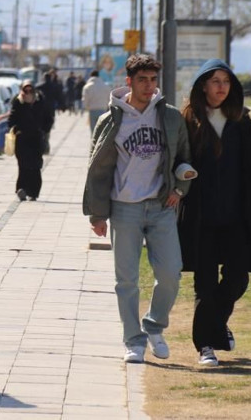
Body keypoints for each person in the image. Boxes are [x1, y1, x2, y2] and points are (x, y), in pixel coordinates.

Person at [83, 53, 192, 364]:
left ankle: (154, 326)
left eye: (153, 80)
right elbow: (98, 171)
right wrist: (98, 213)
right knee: (126, 280)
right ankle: (133, 341)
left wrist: (180, 188)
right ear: (128, 81)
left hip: (160, 206)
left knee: (171, 273)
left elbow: (185, 157)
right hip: (124, 208)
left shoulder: (169, 117)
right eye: (142, 80)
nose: (149, 86)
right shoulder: (110, 120)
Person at [178, 59, 251, 367]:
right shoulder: (188, 120)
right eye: (215, 80)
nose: (221, 86)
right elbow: (177, 159)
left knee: (238, 278)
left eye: (226, 81)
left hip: (237, 215)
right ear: (202, 85)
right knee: (204, 284)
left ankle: (215, 326)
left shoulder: (241, 121)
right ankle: (206, 345)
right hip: (200, 216)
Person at [8, 79, 53, 201]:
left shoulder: (40, 102)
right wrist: (14, 128)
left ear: (34, 91)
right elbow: (11, 118)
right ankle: (21, 189)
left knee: (36, 166)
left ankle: (33, 192)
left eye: (30, 90)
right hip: (22, 139)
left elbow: (49, 118)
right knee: (23, 165)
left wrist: (44, 130)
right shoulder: (18, 102)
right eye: (25, 90)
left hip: (36, 139)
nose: (27, 93)